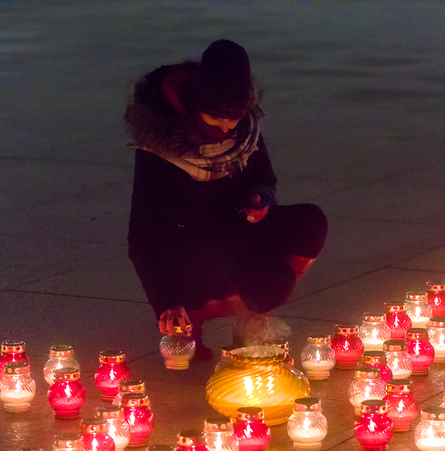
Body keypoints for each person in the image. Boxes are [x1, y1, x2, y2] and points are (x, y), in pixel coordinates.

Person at [125, 39, 328, 358]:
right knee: (212, 260)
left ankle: (253, 319)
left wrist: (261, 198)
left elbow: (265, 179)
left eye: (234, 118)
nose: (225, 128)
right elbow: (142, 237)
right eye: (215, 118)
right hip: (193, 256)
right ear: (195, 106)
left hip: (240, 234)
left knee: (308, 225)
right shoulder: (159, 148)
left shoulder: (245, 131)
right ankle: (190, 319)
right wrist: (166, 302)